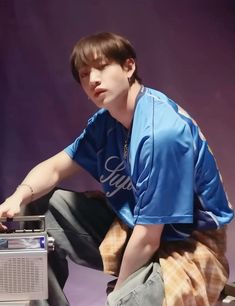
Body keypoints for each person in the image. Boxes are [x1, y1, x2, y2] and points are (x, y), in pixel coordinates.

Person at [0, 32, 234, 306]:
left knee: (124, 302)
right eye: (84, 74)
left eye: (101, 67)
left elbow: (148, 239)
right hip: (131, 224)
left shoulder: (162, 133)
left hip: (188, 245)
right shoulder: (106, 122)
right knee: (34, 207)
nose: (93, 80)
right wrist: (17, 197)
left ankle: (210, 293)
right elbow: (54, 168)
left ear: (129, 66)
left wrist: (121, 292)